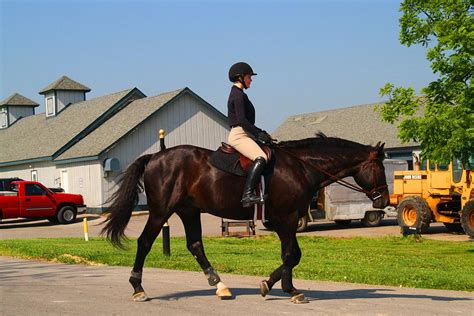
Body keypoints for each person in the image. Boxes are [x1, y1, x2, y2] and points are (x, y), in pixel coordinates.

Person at [227, 62, 273, 207]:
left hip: (244, 133)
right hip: (239, 135)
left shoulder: (238, 93)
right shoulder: (238, 95)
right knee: (261, 158)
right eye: (249, 77)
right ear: (240, 77)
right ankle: (247, 195)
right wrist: (260, 133)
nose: (251, 80)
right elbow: (241, 120)